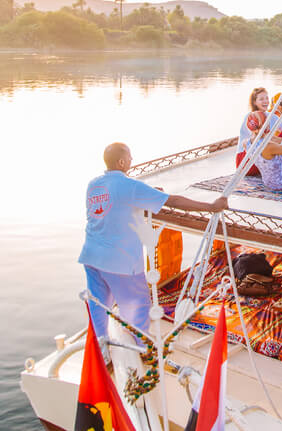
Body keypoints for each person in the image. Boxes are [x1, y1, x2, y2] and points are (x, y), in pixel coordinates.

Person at [79, 142, 227, 342]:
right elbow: (173, 201)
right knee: (137, 308)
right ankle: (141, 348)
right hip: (121, 262)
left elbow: (116, 203)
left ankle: (101, 346)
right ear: (121, 162)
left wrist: (148, 192)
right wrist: (211, 206)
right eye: (129, 156)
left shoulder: (93, 184)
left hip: (92, 257)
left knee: (99, 305)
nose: (131, 159)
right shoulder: (129, 186)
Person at [235, 87, 276, 176]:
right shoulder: (250, 117)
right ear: (254, 102)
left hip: (260, 158)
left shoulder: (270, 115)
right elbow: (258, 140)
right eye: (261, 99)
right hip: (246, 160)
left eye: (267, 98)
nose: (265, 101)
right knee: (273, 145)